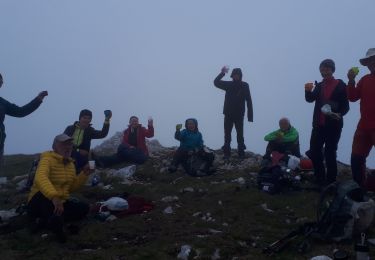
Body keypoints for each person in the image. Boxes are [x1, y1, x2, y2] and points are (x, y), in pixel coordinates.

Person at [27, 134, 93, 243]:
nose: (68, 147)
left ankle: (49, 221)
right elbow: (40, 178)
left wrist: (84, 174)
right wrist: (54, 197)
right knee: (44, 198)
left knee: (84, 208)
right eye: (63, 145)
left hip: (59, 202)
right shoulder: (47, 159)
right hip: (39, 200)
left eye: (70, 144)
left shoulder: (70, 164)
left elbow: (70, 188)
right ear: (55, 147)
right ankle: (52, 222)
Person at [305, 59, 349, 186]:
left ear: (332, 70)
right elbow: (310, 99)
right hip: (318, 125)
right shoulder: (319, 86)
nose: (324, 72)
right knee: (314, 151)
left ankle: (330, 182)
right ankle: (319, 178)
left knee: (330, 153)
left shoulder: (340, 85)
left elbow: (346, 107)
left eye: (327, 69)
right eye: (322, 70)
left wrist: (339, 114)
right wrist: (307, 90)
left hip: (333, 126)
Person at [0, 73, 48, 170]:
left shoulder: (2, 102)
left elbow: (20, 112)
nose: (0, 84)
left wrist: (38, 100)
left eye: (1, 83)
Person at [347, 48, 375, 187]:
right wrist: (351, 81)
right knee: (356, 159)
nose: (372, 63)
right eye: (369, 61)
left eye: (373, 60)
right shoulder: (364, 79)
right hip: (363, 127)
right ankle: (360, 189)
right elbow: (352, 97)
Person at [214, 66, 253, 159]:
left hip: (239, 114)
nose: (236, 76)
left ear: (240, 76)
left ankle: (241, 153)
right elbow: (216, 82)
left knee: (240, 134)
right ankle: (227, 153)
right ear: (232, 76)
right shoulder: (228, 84)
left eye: (238, 75)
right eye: (234, 75)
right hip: (228, 113)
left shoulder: (245, 85)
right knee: (227, 134)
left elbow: (249, 100)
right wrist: (222, 73)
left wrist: (250, 116)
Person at [64, 109, 111, 173]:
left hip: (83, 158)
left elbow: (103, 134)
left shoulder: (90, 131)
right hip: (69, 154)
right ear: (80, 118)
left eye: (89, 118)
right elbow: (63, 143)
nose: (86, 120)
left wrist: (107, 119)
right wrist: (77, 150)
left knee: (90, 165)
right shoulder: (70, 129)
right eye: (84, 118)